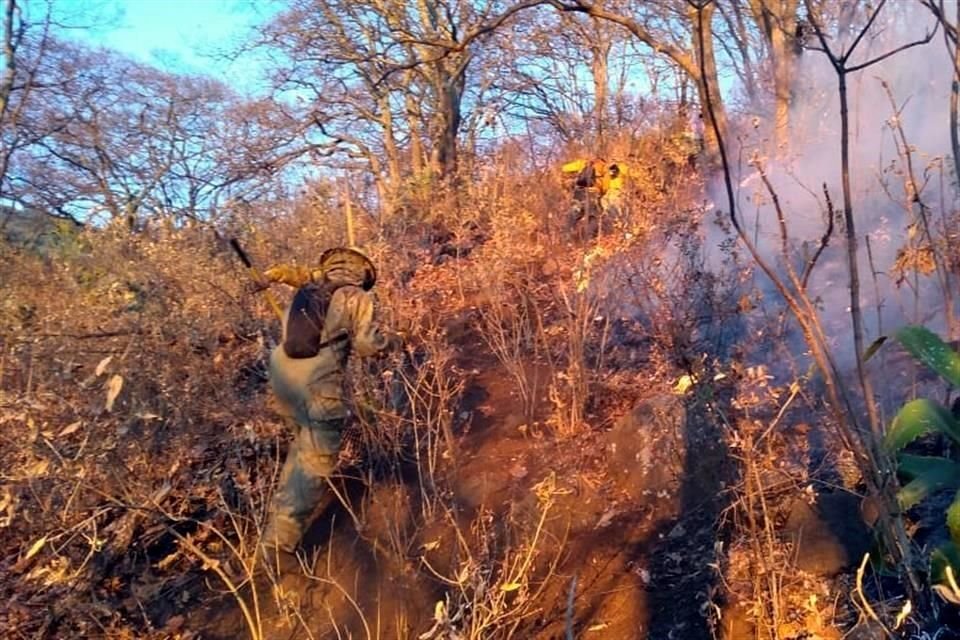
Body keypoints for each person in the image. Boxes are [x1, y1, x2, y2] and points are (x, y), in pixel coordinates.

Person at [258, 246, 395, 573]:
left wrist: (275, 274)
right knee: (314, 460)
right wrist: (394, 341)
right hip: (317, 385)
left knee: (301, 449)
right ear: (363, 273)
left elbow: (295, 274)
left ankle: (279, 516)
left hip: (281, 378)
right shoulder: (356, 296)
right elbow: (367, 345)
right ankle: (277, 547)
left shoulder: (308, 287)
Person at [561, 158, 628, 240]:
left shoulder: (584, 163)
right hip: (593, 193)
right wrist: (602, 192)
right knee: (594, 216)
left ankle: (566, 236)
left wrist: (573, 178)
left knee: (574, 212)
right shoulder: (605, 167)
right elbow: (606, 185)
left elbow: (564, 168)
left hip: (579, 192)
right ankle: (589, 238)